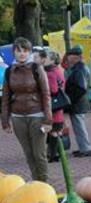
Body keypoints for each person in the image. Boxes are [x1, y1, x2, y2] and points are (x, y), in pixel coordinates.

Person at [1, 37, 52, 182]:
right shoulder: (9, 71)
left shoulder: (36, 68)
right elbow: (5, 97)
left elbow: (46, 94)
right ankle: (36, 183)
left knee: (39, 154)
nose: (22, 54)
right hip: (18, 118)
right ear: (14, 52)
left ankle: (44, 185)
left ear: (29, 52)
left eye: (25, 50)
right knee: (29, 154)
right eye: (18, 51)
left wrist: (48, 119)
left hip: (37, 115)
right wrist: (5, 120)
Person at [65, 45, 91, 157]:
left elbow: (81, 87)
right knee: (78, 125)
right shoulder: (81, 68)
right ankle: (83, 147)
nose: (68, 57)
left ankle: (85, 148)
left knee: (79, 126)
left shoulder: (79, 69)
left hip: (77, 103)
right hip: (80, 102)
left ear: (76, 56)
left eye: (70, 55)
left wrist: (71, 99)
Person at [41, 50, 66, 163]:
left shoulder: (50, 73)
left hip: (53, 105)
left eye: (45, 58)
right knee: (57, 130)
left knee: (53, 131)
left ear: (51, 60)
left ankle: (52, 155)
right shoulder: (58, 70)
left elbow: (53, 89)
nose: (43, 60)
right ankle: (58, 153)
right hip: (59, 105)